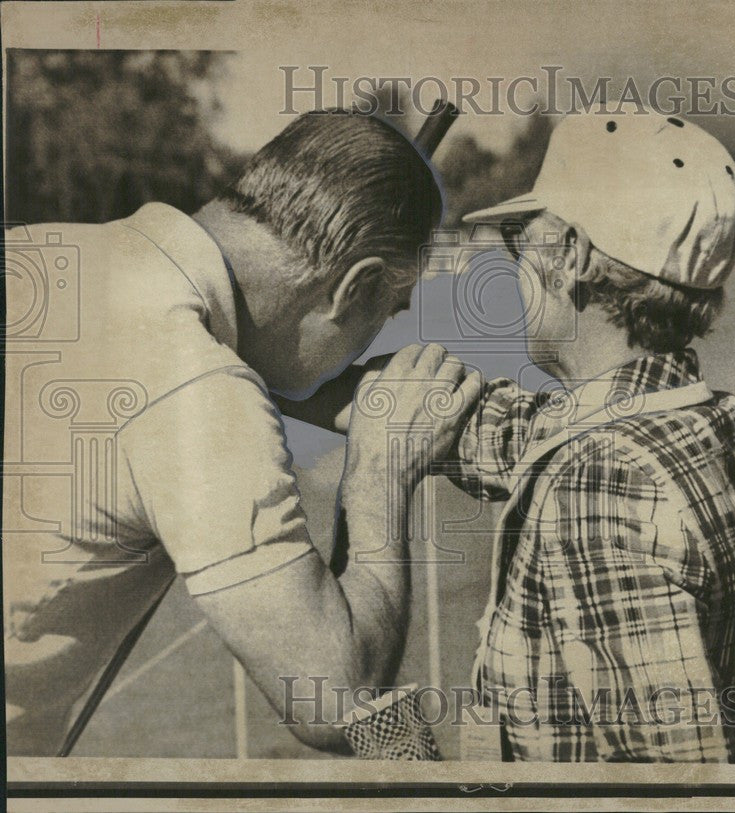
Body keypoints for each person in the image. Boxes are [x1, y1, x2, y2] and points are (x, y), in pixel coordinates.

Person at [3, 109, 478, 756]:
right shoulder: (197, 388)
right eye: (389, 311)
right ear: (355, 285)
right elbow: (337, 698)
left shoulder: (36, 252)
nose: (378, 340)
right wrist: (382, 470)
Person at [327, 112, 735, 761]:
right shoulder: (715, 422)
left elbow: (675, 790)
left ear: (572, 257)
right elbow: (505, 431)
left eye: (518, 236)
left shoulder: (600, 479)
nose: (511, 261)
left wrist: (403, 761)